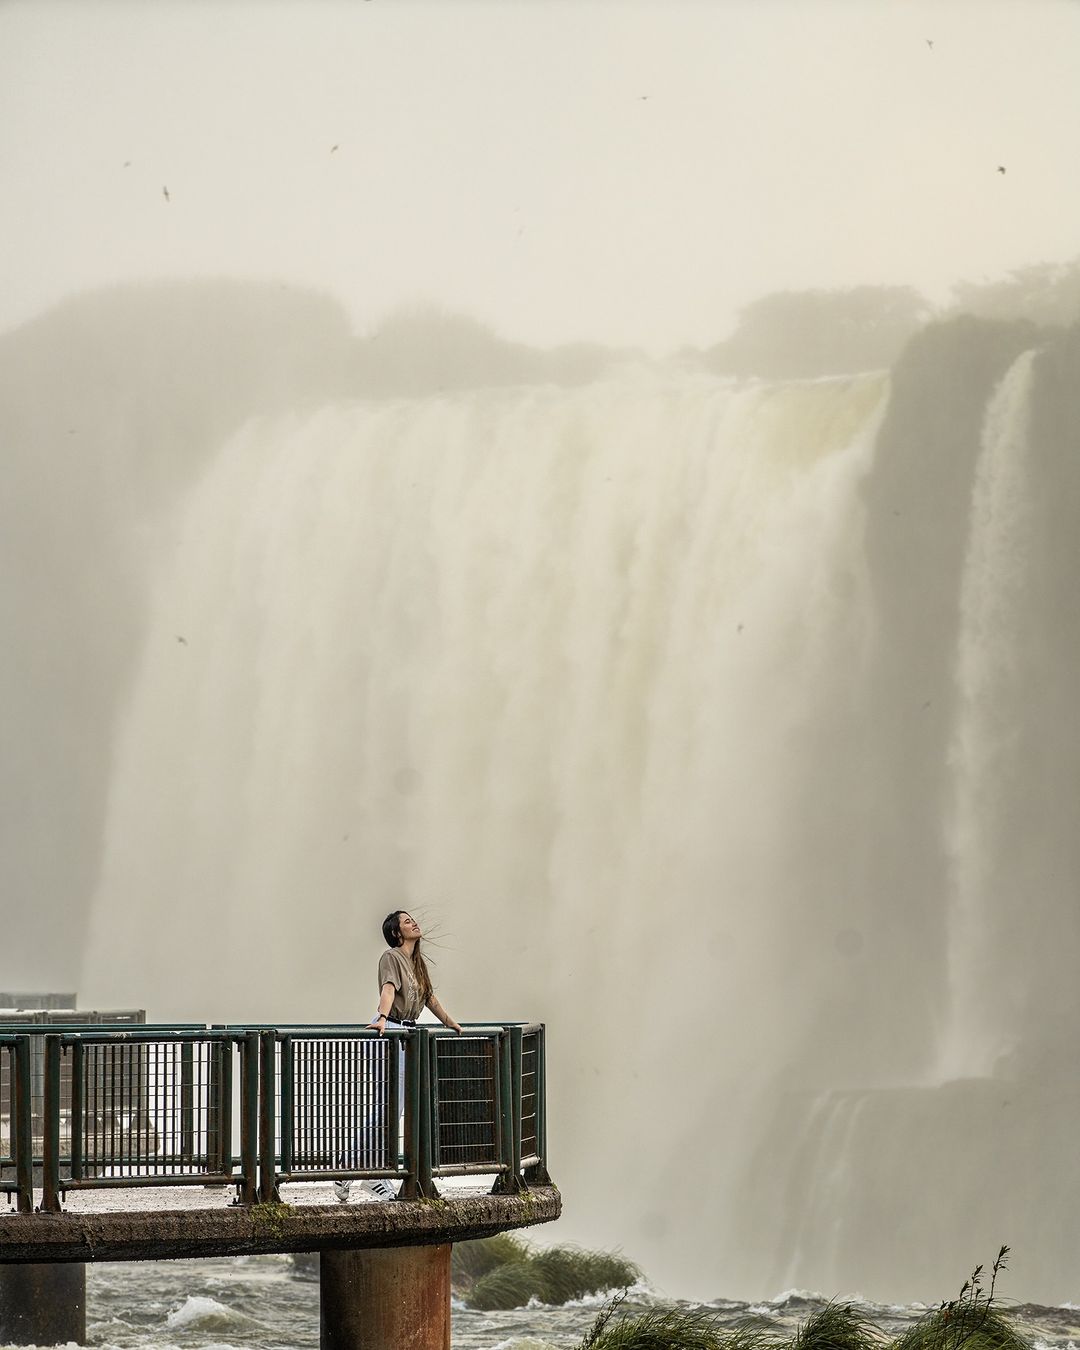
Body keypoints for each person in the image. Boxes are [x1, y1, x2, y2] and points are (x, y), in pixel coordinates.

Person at [334, 910, 462, 1202]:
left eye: (412, 920)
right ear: (396, 933)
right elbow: (388, 989)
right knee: (387, 1109)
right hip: (389, 1031)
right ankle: (363, 1173)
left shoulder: (416, 962)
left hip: (407, 1034)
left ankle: (353, 1169)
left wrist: (451, 1024)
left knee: (394, 1110)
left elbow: (430, 998)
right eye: (407, 922)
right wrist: (381, 1016)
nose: (414, 923)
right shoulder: (391, 957)